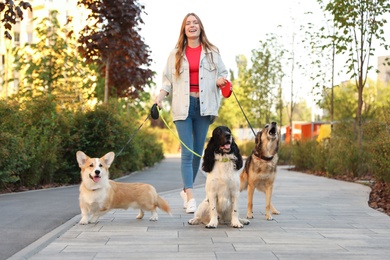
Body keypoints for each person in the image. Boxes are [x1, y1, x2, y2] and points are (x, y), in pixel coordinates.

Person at [155, 13, 228, 213]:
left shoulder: (212, 52)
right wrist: (159, 97)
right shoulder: (176, 53)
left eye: (195, 22)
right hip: (182, 106)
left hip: (204, 106)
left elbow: (223, 73)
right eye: (188, 23)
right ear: (184, 29)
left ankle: (187, 190)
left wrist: (221, 81)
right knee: (187, 152)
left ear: (201, 27)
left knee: (198, 153)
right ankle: (189, 194)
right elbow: (167, 81)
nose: (192, 25)